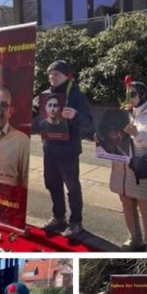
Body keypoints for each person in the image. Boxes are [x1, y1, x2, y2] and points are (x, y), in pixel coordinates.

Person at [38, 60, 93, 238]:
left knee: (72, 188)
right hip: (49, 149)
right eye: (49, 74)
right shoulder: (45, 95)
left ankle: (76, 222)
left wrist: (75, 115)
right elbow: (33, 112)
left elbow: (88, 121)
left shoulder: (75, 95)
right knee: (52, 184)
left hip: (68, 151)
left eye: (56, 74)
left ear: (66, 76)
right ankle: (58, 217)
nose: (52, 77)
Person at [110, 81, 147, 252]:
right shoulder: (123, 113)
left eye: (133, 94)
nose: (129, 98)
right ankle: (135, 239)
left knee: (146, 208)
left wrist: (137, 134)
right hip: (122, 169)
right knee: (126, 204)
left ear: (143, 95)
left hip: (143, 170)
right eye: (127, 94)